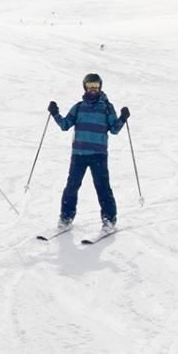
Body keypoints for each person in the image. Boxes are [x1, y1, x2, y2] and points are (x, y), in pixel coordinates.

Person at [47, 73, 129, 234]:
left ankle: (109, 220)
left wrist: (123, 118)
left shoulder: (106, 108)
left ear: (100, 87)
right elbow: (65, 125)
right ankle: (66, 217)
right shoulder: (78, 107)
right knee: (72, 187)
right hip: (79, 154)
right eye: (90, 85)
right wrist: (55, 113)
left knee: (103, 187)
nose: (93, 89)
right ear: (85, 87)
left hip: (98, 154)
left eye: (96, 86)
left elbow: (114, 129)